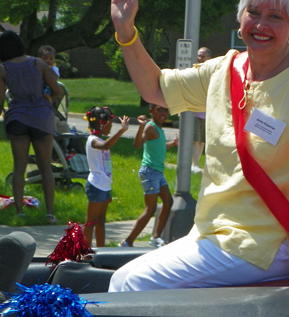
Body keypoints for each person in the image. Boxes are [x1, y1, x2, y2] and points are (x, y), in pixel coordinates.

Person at [107, 0, 289, 292]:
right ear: (240, 15)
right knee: (122, 279)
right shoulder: (223, 69)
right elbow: (155, 88)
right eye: (253, 12)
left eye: (276, 17)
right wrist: (126, 30)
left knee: (130, 285)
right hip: (213, 234)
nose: (261, 24)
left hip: (265, 244)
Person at [0, 31, 61, 224]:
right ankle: (50, 214)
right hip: (41, 117)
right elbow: (57, 90)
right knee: (45, 166)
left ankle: (20, 211)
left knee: (19, 166)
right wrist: (46, 97)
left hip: (18, 117)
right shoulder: (39, 63)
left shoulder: (1, 69)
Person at [118, 103, 178, 248]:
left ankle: (155, 237)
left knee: (168, 202)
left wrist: (173, 143)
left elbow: (160, 146)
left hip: (157, 172)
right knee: (150, 209)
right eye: (159, 110)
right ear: (151, 111)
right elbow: (137, 145)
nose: (163, 113)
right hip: (150, 172)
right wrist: (141, 126)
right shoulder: (150, 127)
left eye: (165, 110)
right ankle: (128, 241)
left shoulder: (158, 129)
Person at [83, 106, 130, 247]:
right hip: (96, 186)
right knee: (90, 222)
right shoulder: (93, 140)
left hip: (104, 186)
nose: (111, 127)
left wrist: (108, 187)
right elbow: (105, 145)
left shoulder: (99, 139)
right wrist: (122, 130)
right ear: (101, 124)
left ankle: (101, 252)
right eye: (110, 124)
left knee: (101, 221)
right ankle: (84, 253)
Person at [191, 47, 212, 173]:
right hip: (195, 111)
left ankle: (196, 166)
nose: (199, 58)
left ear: (209, 58)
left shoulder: (211, 72)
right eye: (198, 55)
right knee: (195, 139)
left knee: (202, 141)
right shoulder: (194, 71)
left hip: (208, 112)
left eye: (202, 56)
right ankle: (195, 164)